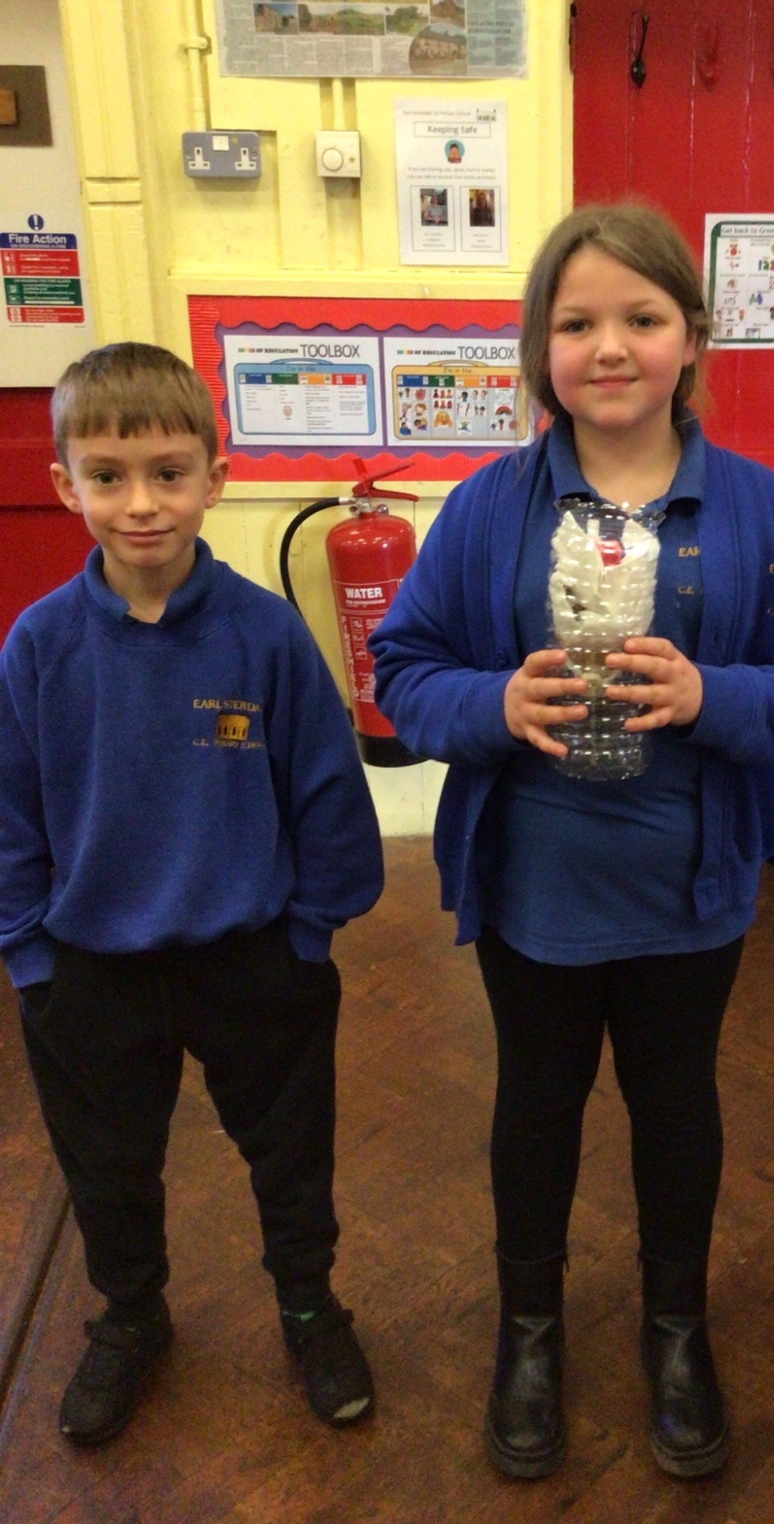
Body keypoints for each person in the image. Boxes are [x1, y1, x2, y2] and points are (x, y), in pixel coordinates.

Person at [369, 202, 774, 1478]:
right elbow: (404, 669)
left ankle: (675, 1325)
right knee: (536, 1105)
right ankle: (529, 1329)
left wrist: (714, 695)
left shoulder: (758, 511)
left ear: (692, 338)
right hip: (532, 886)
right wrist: (492, 703)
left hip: (691, 890)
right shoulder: (489, 509)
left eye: (641, 318)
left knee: (675, 1106)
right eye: (576, 321)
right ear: (539, 347)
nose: (608, 346)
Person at [0, 343, 384, 1445]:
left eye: (168, 473)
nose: (141, 504)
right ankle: (131, 1315)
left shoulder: (265, 633)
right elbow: (11, 811)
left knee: (291, 1154)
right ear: (66, 484)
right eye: (109, 476)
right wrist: (29, 954)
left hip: (253, 959)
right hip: (89, 969)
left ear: (214, 478)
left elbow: (325, 790)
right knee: (108, 1167)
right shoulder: (39, 646)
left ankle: (308, 1304)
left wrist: (310, 932)